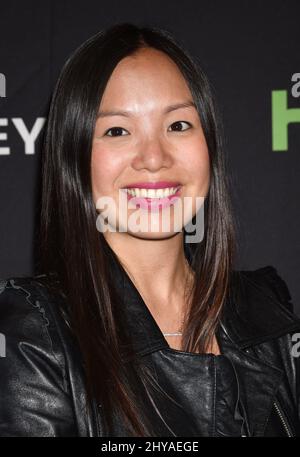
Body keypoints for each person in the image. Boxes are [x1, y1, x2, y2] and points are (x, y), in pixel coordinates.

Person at [0, 22, 300, 437]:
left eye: (178, 125)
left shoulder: (264, 309)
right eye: (117, 130)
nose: (154, 158)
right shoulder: (35, 334)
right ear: (74, 158)